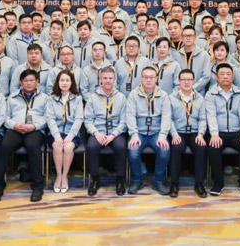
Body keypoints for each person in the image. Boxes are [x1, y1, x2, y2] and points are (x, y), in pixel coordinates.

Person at [0, 69, 48, 203]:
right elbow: (5, 116)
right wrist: (14, 125)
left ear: (37, 82)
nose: (29, 83)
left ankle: (37, 186)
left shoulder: (45, 98)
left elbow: (47, 117)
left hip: (35, 130)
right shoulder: (12, 97)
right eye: (25, 80)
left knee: (32, 146)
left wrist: (34, 126)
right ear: (21, 82)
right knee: (4, 147)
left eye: (32, 80)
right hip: (16, 129)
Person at [206, 63, 240, 196]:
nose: (225, 77)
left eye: (228, 74)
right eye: (222, 74)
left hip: (236, 133)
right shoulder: (210, 94)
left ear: (233, 77)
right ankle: (218, 182)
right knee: (213, 146)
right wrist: (214, 134)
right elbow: (211, 115)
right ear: (217, 77)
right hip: (219, 133)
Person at [126, 67, 171, 195]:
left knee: (164, 150)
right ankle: (136, 181)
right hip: (139, 133)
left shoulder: (163, 95)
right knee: (133, 151)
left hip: (156, 133)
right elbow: (130, 116)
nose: (148, 80)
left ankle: (159, 181)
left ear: (156, 79)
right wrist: (134, 134)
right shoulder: (133, 94)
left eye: (151, 77)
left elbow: (166, 117)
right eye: (145, 77)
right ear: (141, 78)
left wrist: (162, 135)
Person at [84, 67, 128, 196]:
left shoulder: (121, 97)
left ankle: (120, 179)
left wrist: (113, 135)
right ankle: (95, 179)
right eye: (105, 78)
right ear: (100, 80)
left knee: (121, 146)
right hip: (98, 132)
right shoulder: (93, 97)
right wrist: (96, 133)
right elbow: (88, 120)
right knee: (91, 147)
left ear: (114, 80)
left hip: (115, 132)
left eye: (110, 78)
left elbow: (124, 120)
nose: (107, 81)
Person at [168, 69, 207, 198]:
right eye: (183, 79)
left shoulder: (200, 98)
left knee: (201, 147)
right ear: (179, 81)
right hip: (178, 132)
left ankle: (199, 183)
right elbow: (169, 119)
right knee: (176, 148)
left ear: (193, 81)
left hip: (195, 132)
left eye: (189, 79)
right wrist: (174, 134)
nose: (186, 82)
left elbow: (203, 119)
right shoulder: (171, 98)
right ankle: (174, 183)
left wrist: (201, 134)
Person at [45, 70, 84, 193]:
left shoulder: (78, 99)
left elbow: (79, 119)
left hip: (71, 133)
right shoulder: (51, 99)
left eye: (67, 80)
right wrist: (56, 136)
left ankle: (65, 176)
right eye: (62, 80)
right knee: (57, 146)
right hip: (55, 133)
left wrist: (70, 136)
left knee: (67, 147)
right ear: (58, 82)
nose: (65, 83)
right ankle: (58, 176)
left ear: (72, 83)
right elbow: (50, 118)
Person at [174, 25, 210, 94]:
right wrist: (181, 89)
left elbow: (206, 76)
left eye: (190, 36)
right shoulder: (177, 55)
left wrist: (192, 88)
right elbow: (176, 76)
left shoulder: (204, 55)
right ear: (182, 38)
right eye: (185, 36)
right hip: (180, 93)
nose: (188, 38)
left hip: (198, 94)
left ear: (195, 38)